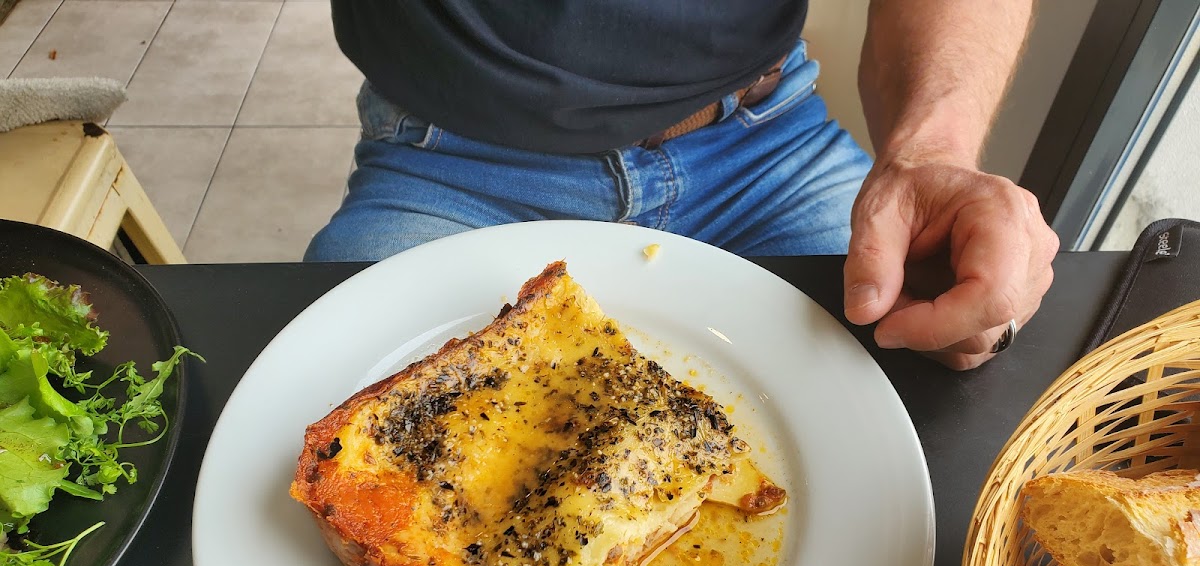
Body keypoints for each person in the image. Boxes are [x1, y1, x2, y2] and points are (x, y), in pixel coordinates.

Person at [306, 0, 1059, 372]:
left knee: (934, 382)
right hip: (454, 161)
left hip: (765, 146)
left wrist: (934, 151)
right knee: (329, 431)